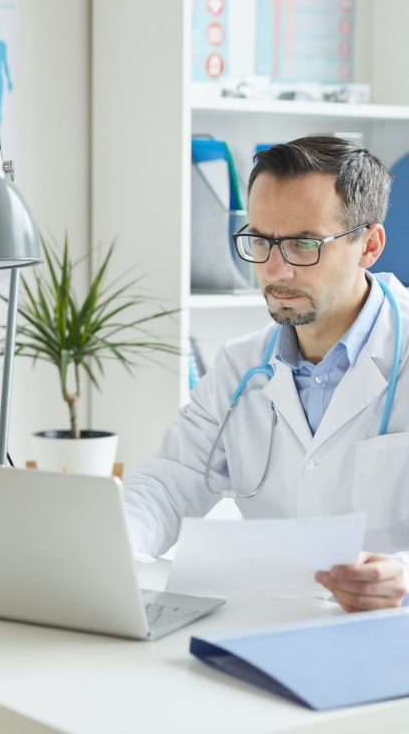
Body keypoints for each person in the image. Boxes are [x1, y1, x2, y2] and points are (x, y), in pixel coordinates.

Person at [124, 136, 409, 612]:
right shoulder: (240, 366)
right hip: (265, 628)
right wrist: (121, 547)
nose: (275, 270)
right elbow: (168, 483)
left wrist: (402, 573)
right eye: (260, 240)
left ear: (370, 245)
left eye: (302, 244)